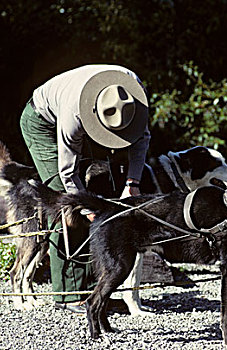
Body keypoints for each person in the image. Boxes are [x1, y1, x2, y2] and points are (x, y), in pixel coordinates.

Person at [19, 64, 150, 313]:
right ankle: (70, 293)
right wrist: (87, 210)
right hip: (42, 122)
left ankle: (97, 288)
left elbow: (141, 140)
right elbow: (68, 174)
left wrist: (133, 184)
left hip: (84, 116)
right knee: (66, 204)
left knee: (99, 188)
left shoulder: (133, 95)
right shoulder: (73, 114)